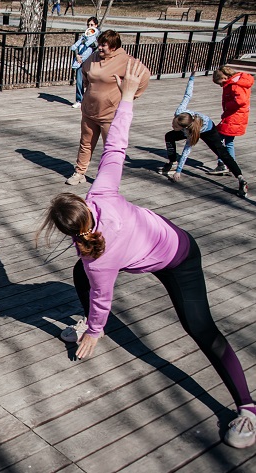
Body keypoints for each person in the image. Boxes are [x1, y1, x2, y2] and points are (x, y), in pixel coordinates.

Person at [38, 60, 256, 450]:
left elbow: (104, 297)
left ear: (64, 229)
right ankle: (86, 323)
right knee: (79, 274)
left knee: (200, 329)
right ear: (82, 203)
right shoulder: (99, 196)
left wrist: (96, 331)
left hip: (180, 256)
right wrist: (125, 97)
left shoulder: (97, 258)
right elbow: (117, 143)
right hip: (164, 239)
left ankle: (248, 409)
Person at [65, 30, 150, 186]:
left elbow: (144, 76)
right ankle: (80, 172)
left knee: (110, 149)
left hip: (110, 114)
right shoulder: (94, 57)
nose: (100, 48)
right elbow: (85, 72)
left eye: (104, 45)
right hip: (90, 110)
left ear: (113, 46)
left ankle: (107, 178)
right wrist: (87, 88)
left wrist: (130, 95)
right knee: (86, 143)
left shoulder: (125, 61)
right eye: (99, 44)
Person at [163, 69, 248, 197]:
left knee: (222, 153)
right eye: (173, 122)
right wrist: (192, 77)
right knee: (169, 136)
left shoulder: (190, 132)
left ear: (183, 128)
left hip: (208, 129)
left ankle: (240, 178)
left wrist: (179, 171)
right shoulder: (180, 112)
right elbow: (188, 95)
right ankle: (172, 161)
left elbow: (187, 150)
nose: (172, 125)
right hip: (196, 125)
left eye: (175, 126)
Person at [208, 65, 253, 176]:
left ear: (225, 77)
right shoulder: (236, 82)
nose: (221, 86)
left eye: (220, 83)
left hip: (234, 117)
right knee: (228, 142)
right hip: (236, 116)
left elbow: (240, 101)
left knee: (216, 139)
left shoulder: (235, 85)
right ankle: (228, 165)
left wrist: (228, 106)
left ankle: (223, 164)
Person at [69, 17, 100, 109]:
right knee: (79, 81)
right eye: (88, 25)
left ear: (96, 25)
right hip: (80, 61)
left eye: (92, 25)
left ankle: (92, 101)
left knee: (92, 82)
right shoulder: (84, 35)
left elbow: (97, 46)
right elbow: (76, 46)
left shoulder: (98, 36)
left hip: (91, 62)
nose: (89, 26)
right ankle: (79, 100)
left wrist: (91, 42)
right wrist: (77, 55)